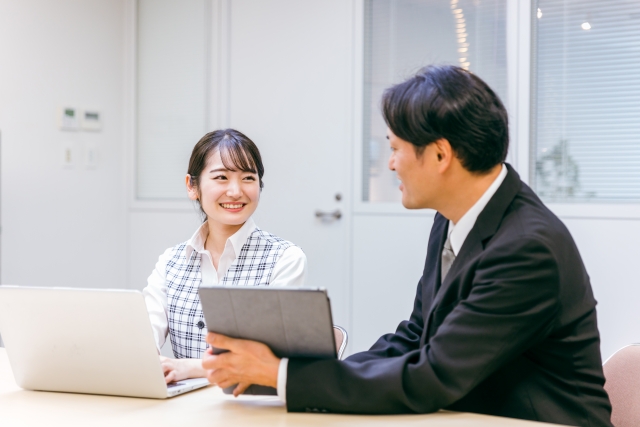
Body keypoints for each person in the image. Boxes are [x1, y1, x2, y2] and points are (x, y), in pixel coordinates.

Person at [200, 66, 613, 426]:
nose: (391, 163)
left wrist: (284, 375)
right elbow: (418, 335)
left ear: (439, 155)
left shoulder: (527, 248)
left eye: (395, 148)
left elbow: (432, 376)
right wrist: (299, 372)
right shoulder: (454, 214)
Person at [143, 129, 307, 384]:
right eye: (221, 177)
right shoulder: (171, 262)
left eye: (248, 178)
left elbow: (267, 355)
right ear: (192, 186)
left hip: (253, 407)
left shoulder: (284, 259)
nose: (235, 191)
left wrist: (188, 367)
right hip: (183, 408)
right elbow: (143, 337)